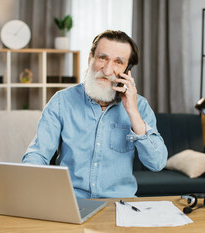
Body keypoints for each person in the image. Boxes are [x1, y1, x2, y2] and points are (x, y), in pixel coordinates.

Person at [22, 30, 167, 198]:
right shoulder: (62, 101)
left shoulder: (139, 106)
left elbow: (157, 163)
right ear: (90, 58)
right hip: (71, 202)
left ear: (127, 70)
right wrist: (30, 184)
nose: (107, 70)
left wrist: (133, 112)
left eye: (118, 62)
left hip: (119, 205)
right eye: (102, 58)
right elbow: (38, 153)